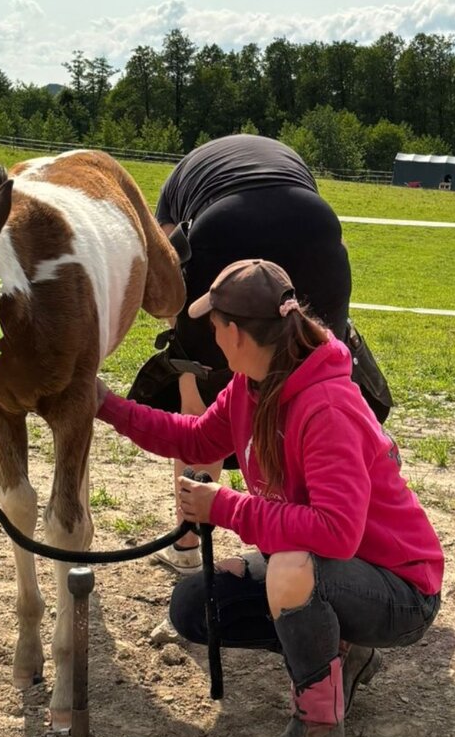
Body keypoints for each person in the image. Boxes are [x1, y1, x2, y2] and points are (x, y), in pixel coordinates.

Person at [96, 259, 444, 737]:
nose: (210, 335)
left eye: (213, 325)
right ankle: (340, 651)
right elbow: (192, 440)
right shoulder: (250, 387)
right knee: (197, 606)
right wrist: (104, 405)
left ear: (234, 333)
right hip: (334, 565)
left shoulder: (326, 406)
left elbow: (336, 532)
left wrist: (227, 508)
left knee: (287, 570)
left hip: (401, 591)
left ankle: (320, 731)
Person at [142, 133, 359, 574]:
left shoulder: (177, 185)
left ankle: (186, 541)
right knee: (317, 378)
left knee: (195, 396)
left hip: (223, 226)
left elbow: (166, 272)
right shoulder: (284, 157)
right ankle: (317, 535)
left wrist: (188, 346)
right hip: (317, 225)